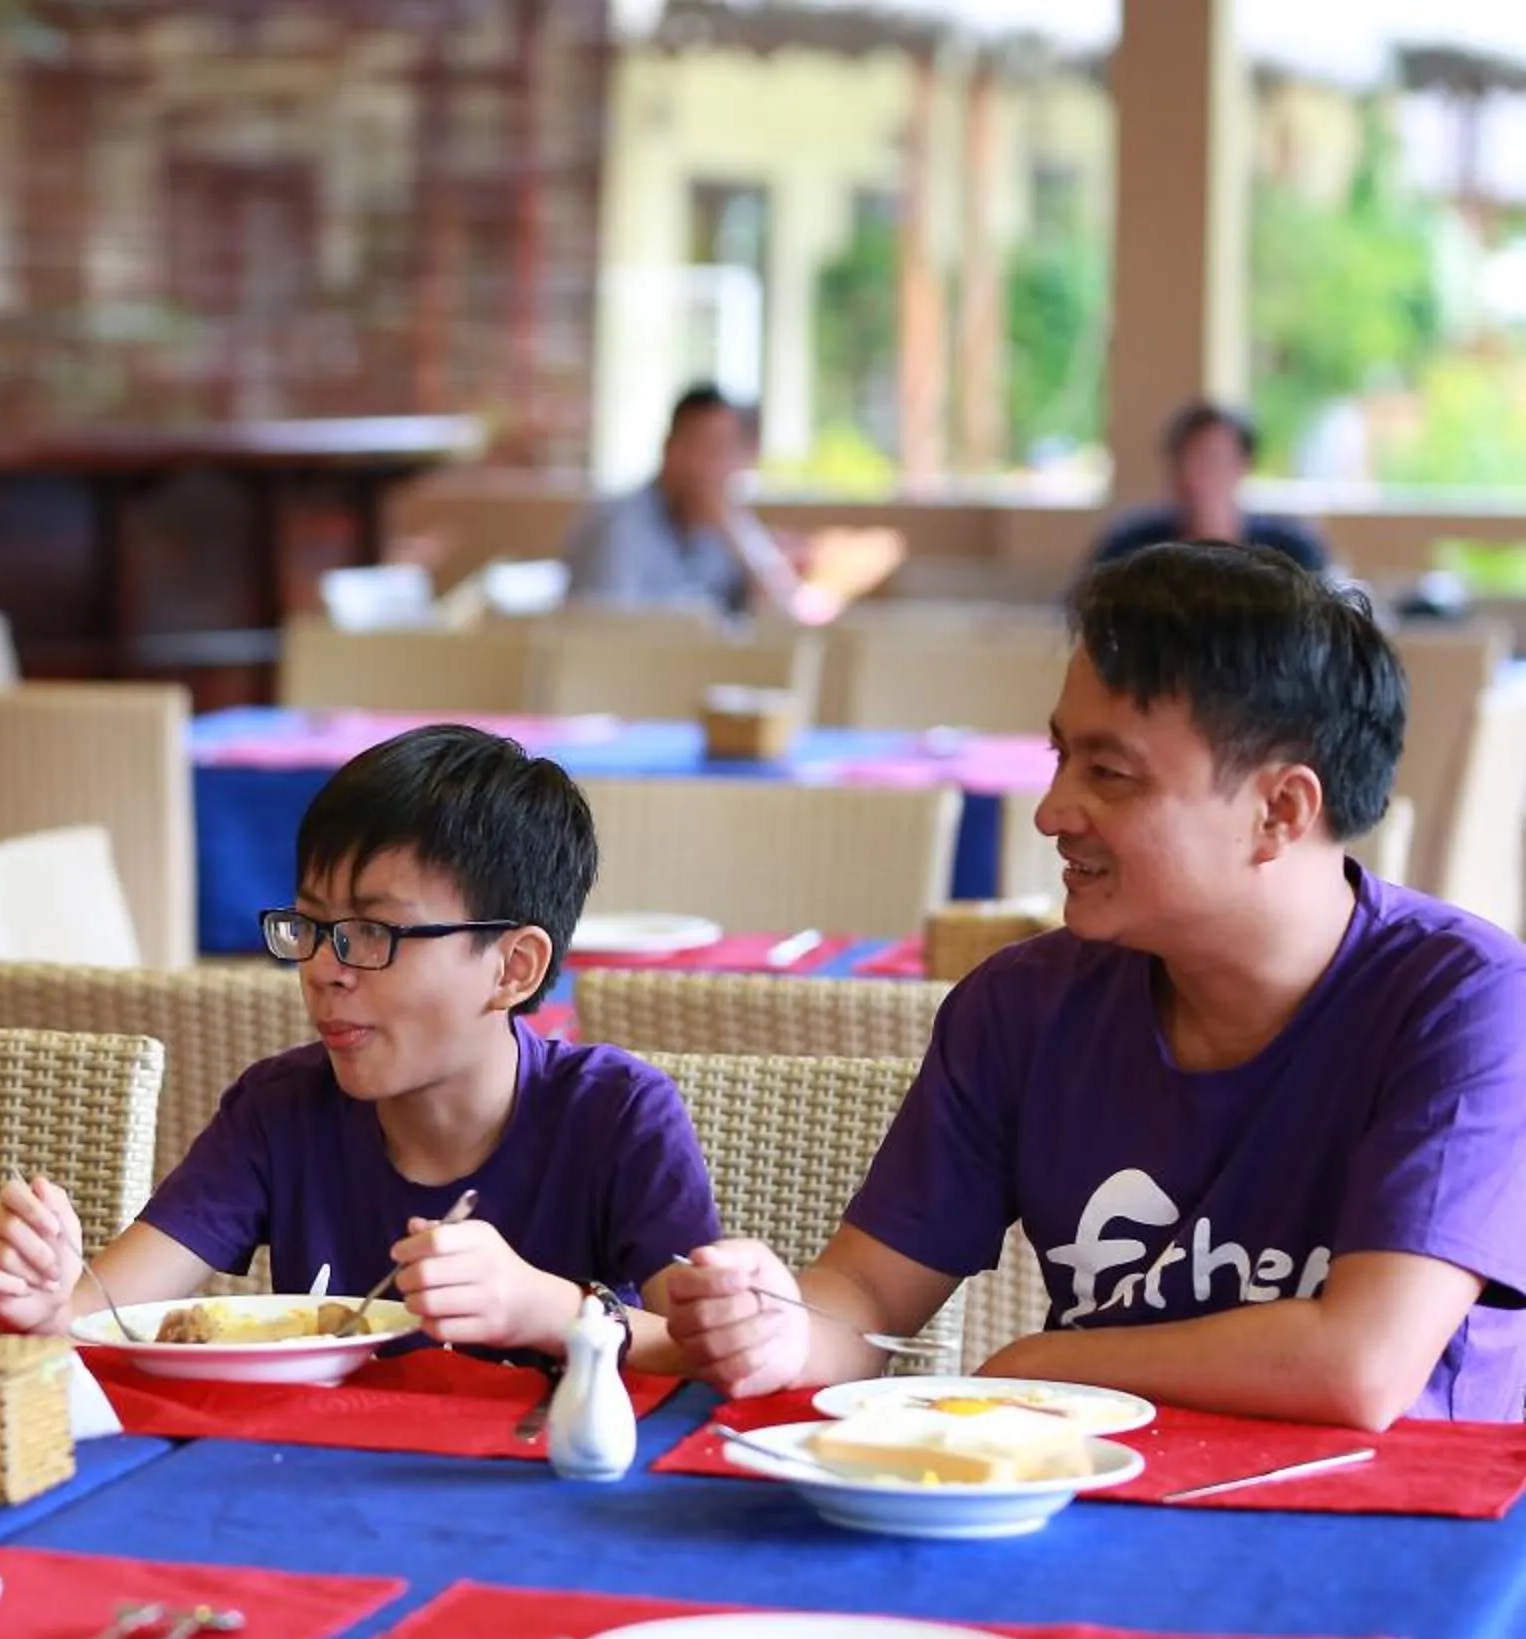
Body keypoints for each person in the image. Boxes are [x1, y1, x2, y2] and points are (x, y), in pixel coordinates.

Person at [667, 543, 1526, 1428]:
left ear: (1280, 812)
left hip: (1396, 1525)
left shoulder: (1464, 1003)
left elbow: (1361, 1368)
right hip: (1095, 1498)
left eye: (1108, 774)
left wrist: (1046, 1359)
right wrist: (780, 1327)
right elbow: (867, 1296)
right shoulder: (1022, 1007)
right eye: (1061, 757)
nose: (1051, 812)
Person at [0, 724, 719, 1360]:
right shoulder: (280, 1111)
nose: (323, 969)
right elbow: (99, 1315)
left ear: (512, 968)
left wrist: (552, 1311)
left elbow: (707, 1352)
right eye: (313, 928)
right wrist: (42, 1291)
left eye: (371, 934)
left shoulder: (616, 1115)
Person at [561, 385, 825, 623]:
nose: (707, 467)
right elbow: (599, 636)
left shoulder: (727, 525)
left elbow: (786, 618)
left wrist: (735, 536)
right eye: (698, 446)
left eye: (721, 450)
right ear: (668, 448)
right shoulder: (619, 526)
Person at [1086, 402, 1329, 575]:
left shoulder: (1291, 551)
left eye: (1211, 459)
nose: (1193, 475)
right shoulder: (1129, 549)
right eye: (1183, 459)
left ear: (1243, 465)